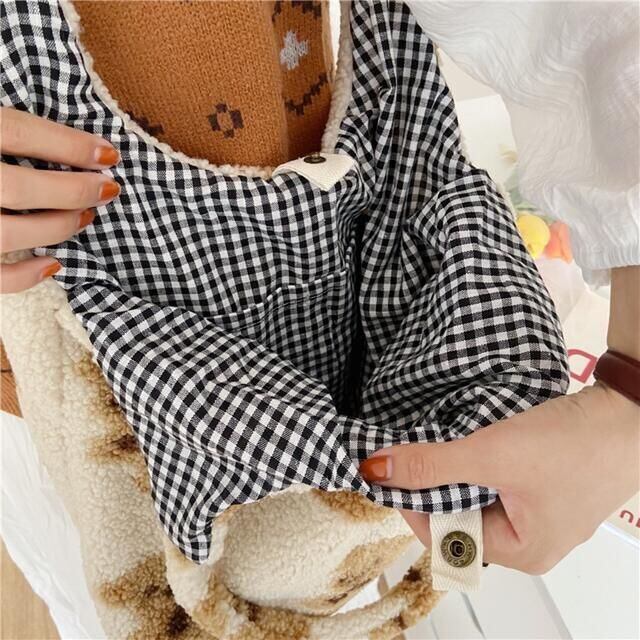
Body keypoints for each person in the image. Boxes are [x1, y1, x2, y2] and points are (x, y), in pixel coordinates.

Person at [1, 1, 638, 576]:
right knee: (87, 564)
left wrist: (630, 402)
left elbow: (595, 32)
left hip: (335, 492)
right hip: (52, 386)